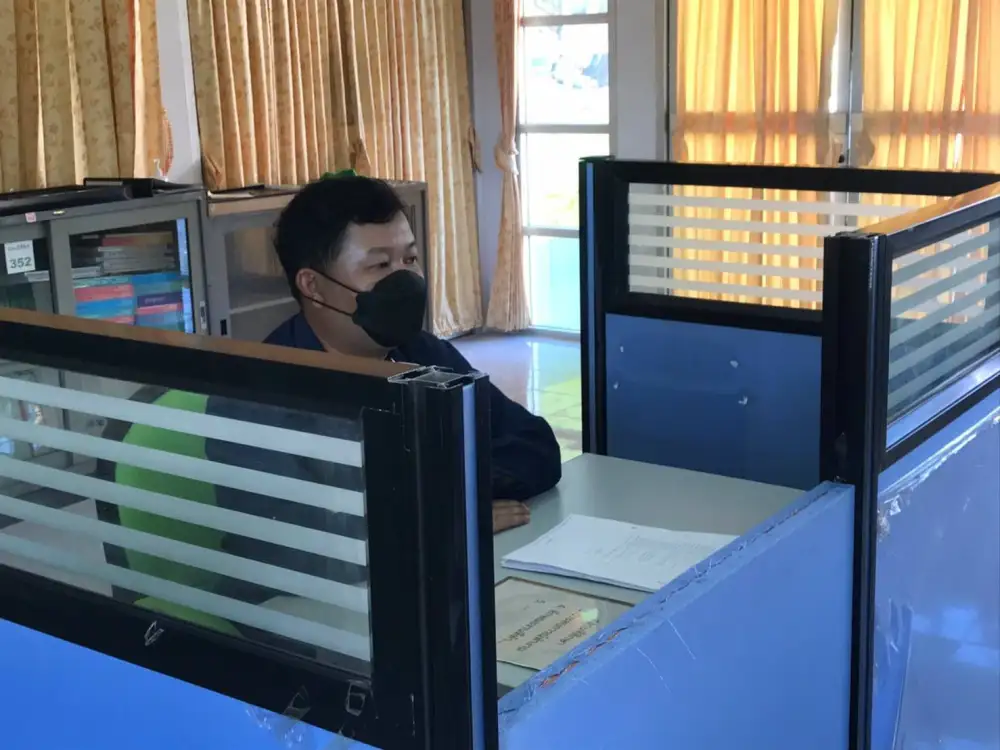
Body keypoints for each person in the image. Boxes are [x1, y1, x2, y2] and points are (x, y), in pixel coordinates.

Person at [206, 176, 561, 572]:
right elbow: (294, 546)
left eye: (410, 259)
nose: (404, 280)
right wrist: (432, 520)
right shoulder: (256, 396)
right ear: (313, 286)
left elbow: (535, 446)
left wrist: (440, 499)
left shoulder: (422, 354)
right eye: (379, 265)